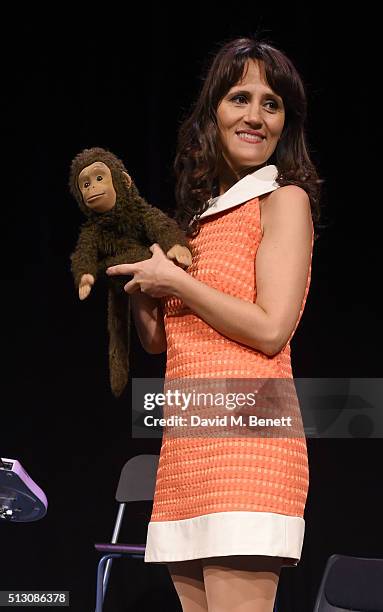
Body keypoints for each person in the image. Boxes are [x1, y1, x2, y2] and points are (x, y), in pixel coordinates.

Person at [107, 36, 322, 612]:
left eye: (271, 103)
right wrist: (139, 277)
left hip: (248, 447)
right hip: (188, 450)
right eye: (239, 98)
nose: (255, 115)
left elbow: (273, 327)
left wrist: (176, 282)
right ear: (212, 114)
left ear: (285, 123)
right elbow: (160, 341)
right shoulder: (196, 222)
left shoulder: (283, 200)